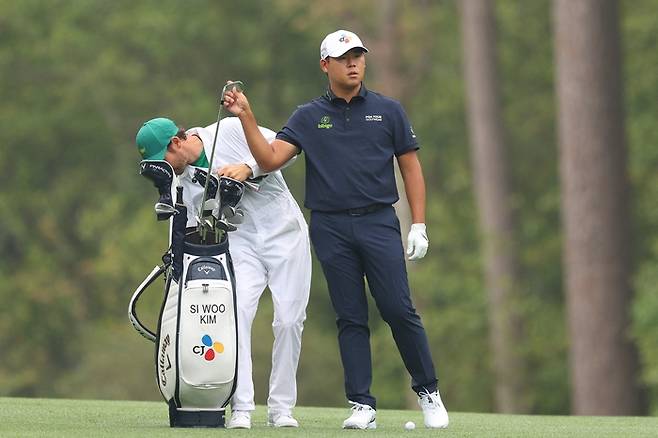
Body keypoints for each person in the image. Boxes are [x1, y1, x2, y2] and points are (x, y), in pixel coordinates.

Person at [222, 29, 449, 429]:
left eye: (358, 56)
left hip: (379, 221)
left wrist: (419, 223)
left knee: (398, 308)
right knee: (350, 316)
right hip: (330, 227)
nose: (354, 63)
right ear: (326, 65)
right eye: (345, 57)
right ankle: (362, 404)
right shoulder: (308, 116)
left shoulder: (388, 110)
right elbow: (271, 159)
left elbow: (410, 167)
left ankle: (428, 390)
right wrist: (248, 118)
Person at [135, 116, 312, 429]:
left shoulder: (229, 130)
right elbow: (186, 225)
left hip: (285, 231)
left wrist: (246, 168)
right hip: (241, 241)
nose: (165, 168)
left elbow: (287, 150)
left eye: (163, 159)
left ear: (176, 143)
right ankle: (241, 407)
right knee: (237, 316)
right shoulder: (180, 179)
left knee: (288, 321)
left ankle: (281, 409)